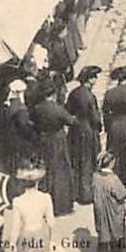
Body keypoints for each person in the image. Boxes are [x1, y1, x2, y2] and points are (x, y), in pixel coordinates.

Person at [31, 81, 75, 217]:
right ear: (52, 94)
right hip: (57, 141)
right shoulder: (56, 108)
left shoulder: (37, 108)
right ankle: (61, 206)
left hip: (43, 141)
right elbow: (70, 121)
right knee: (60, 172)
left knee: (46, 172)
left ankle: (45, 206)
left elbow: (33, 122)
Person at [2, 162, 54, 252]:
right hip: (41, 236)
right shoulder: (46, 198)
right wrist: (49, 242)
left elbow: (15, 229)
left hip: (25, 237)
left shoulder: (18, 201)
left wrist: (11, 250)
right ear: (38, 181)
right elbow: (51, 223)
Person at [66, 65, 103, 205]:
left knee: (76, 160)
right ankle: (86, 194)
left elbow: (67, 109)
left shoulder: (74, 93)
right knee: (87, 161)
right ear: (90, 79)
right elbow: (94, 117)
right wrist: (99, 127)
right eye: (95, 77)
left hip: (76, 129)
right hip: (88, 130)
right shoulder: (89, 96)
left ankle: (75, 191)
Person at [92, 152, 126, 252]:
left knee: (103, 235)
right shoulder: (113, 179)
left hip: (100, 210)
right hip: (113, 211)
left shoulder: (95, 176)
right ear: (111, 163)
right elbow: (121, 194)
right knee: (116, 236)